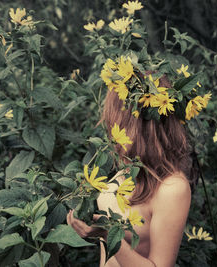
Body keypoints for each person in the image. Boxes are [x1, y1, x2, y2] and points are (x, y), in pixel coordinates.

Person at [67, 80, 198, 266]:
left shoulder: (172, 188)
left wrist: (107, 234)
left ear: (131, 122)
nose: (110, 125)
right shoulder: (128, 168)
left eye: (115, 117)